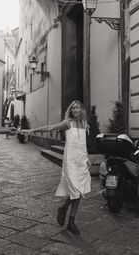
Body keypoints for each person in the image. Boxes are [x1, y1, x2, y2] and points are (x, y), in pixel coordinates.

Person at [22, 100, 91, 234]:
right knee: (75, 189)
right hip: (70, 160)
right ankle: (64, 208)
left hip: (81, 160)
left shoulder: (84, 124)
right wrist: (32, 130)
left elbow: (83, 143)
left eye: (78, 108)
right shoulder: (67, 123)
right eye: (74, 108)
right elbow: (50, 128)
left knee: (80, 191)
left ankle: (71, 220)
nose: (76, 110)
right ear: (71, 110)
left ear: (81, 110)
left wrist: (87, 157)